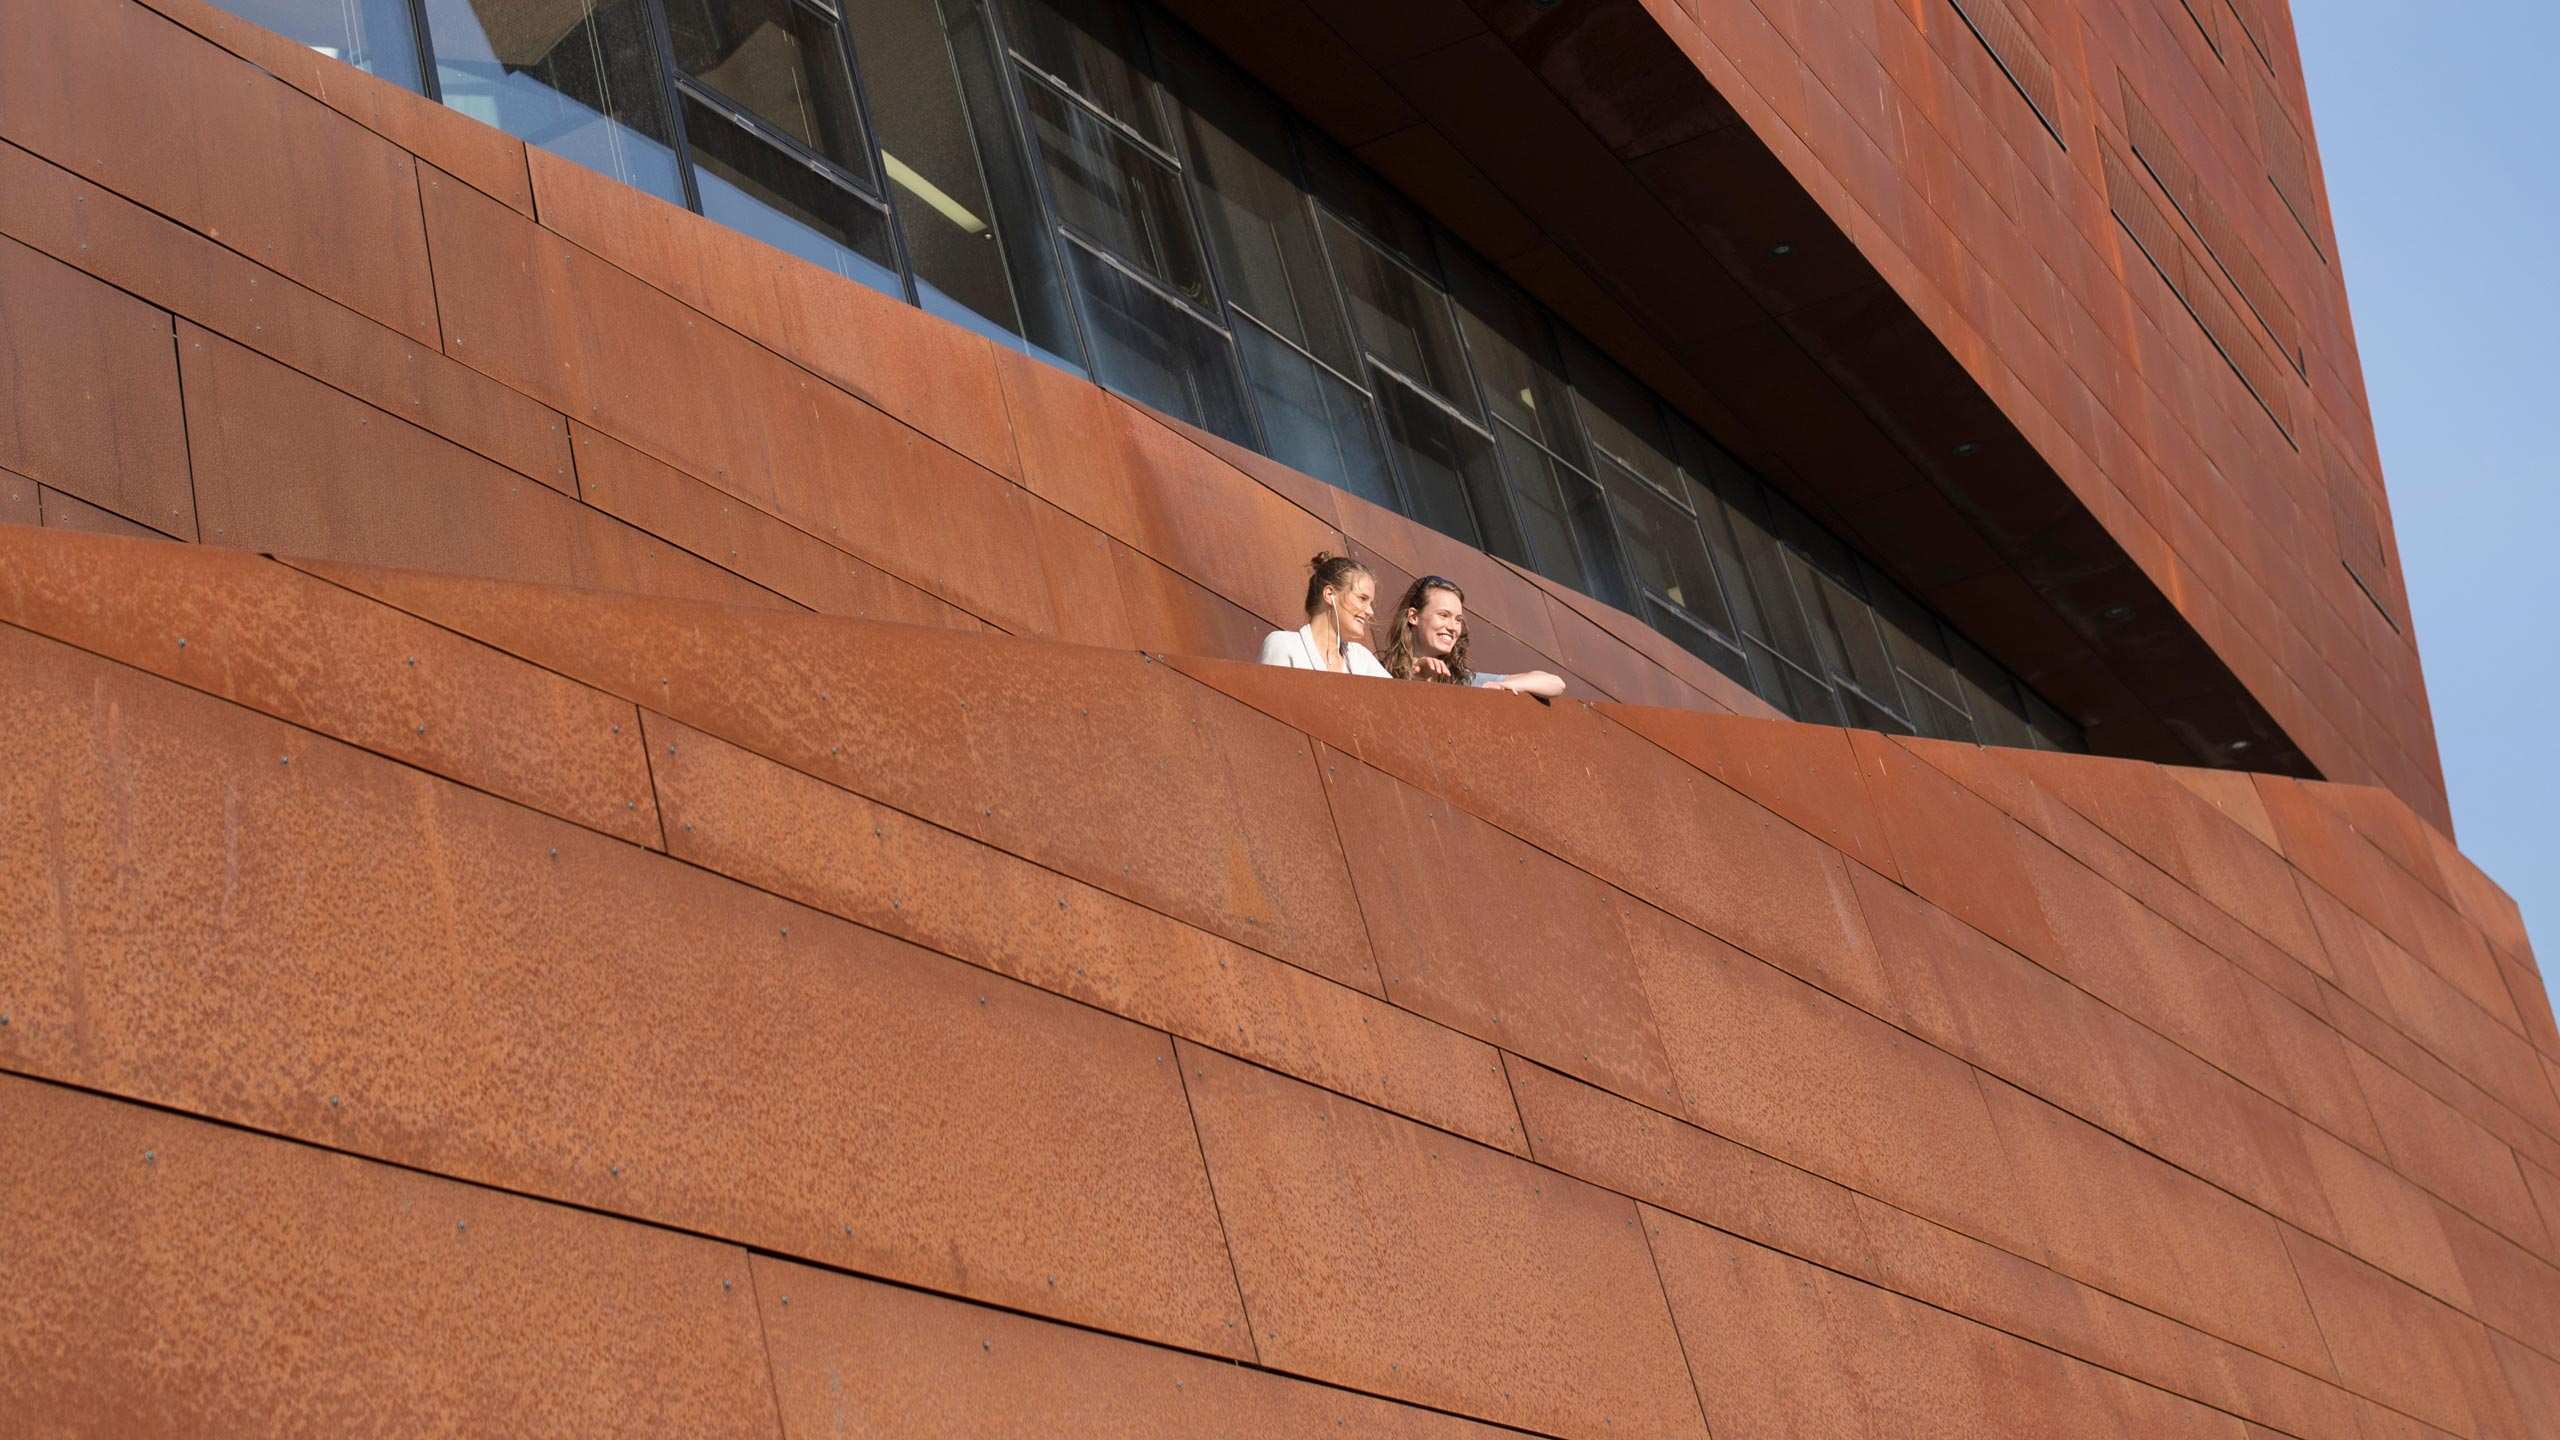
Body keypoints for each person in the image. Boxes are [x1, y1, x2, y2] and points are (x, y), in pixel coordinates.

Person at [1380, 575, 1567, 698]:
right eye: (1443, 615)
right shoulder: (1378, 670)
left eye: (1458, 619)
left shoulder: (1461, 681)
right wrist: (1416, 676)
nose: (1453, 627)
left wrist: (1502, 686)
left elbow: (1554, 683)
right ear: (1413, 616)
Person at [1258, 552, 1392, 676]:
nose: (1370, 611)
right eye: (1362, 598)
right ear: (1329, 594)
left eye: (1370, 603)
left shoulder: (1362, 659)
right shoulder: (1284, 645)